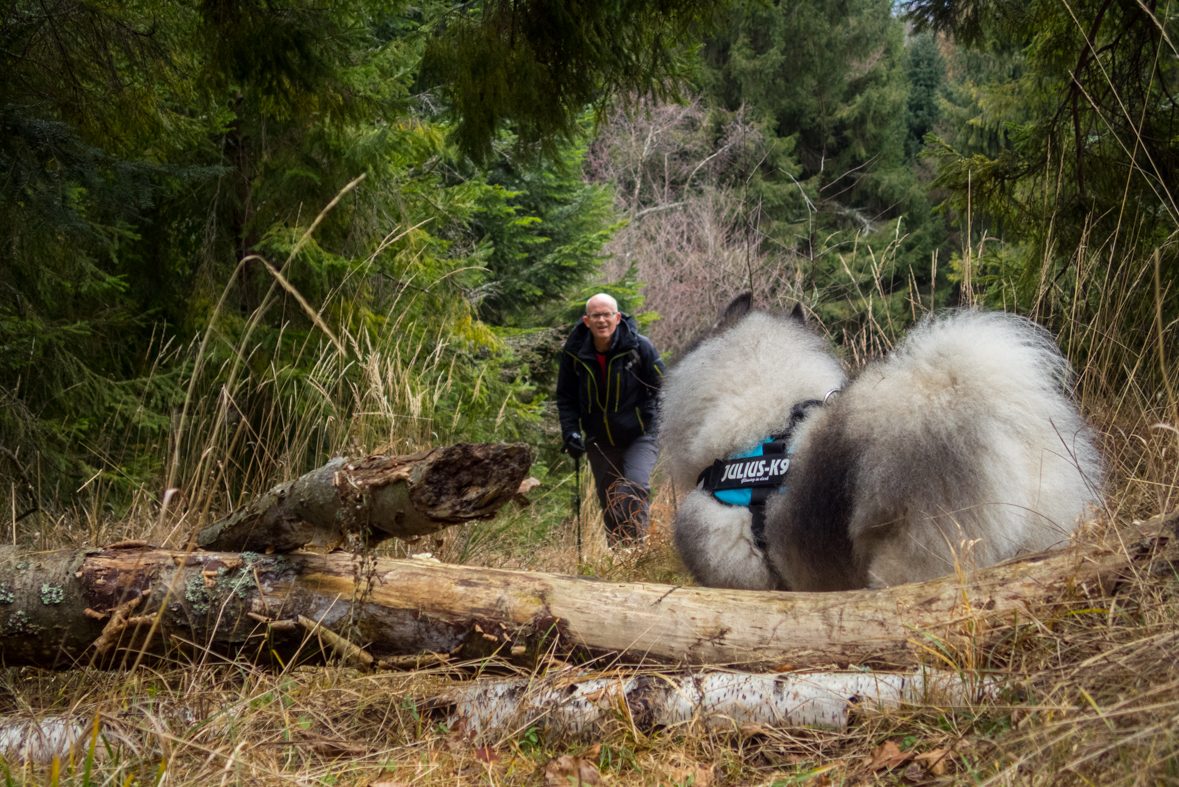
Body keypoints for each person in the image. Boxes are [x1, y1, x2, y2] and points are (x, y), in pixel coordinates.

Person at [556, 293, 665, 546]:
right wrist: (570, 433)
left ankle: (636, 554)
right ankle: (620, 559)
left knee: (634, 486)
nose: (602, 320)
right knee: (610, 503)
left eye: (607, 314)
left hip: (640, 434)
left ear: (617, 317)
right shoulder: (574, 354)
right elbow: (566, 398)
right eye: (596, 315)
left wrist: (662, 427)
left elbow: (665, 388)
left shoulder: (640, 348)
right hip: (599, 440)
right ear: (586, 320)